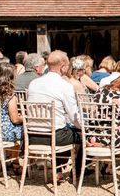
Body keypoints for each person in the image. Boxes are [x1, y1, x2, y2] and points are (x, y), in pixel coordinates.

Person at [28, 50, 83, 178]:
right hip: (55, 137)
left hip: (32, 135)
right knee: (82, 135)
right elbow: (74, 116)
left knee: (65, 129)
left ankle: (58, 170)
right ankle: (80, 172)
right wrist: (86, 128)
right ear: (63, 67)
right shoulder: (64, 86)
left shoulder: (33, 83)